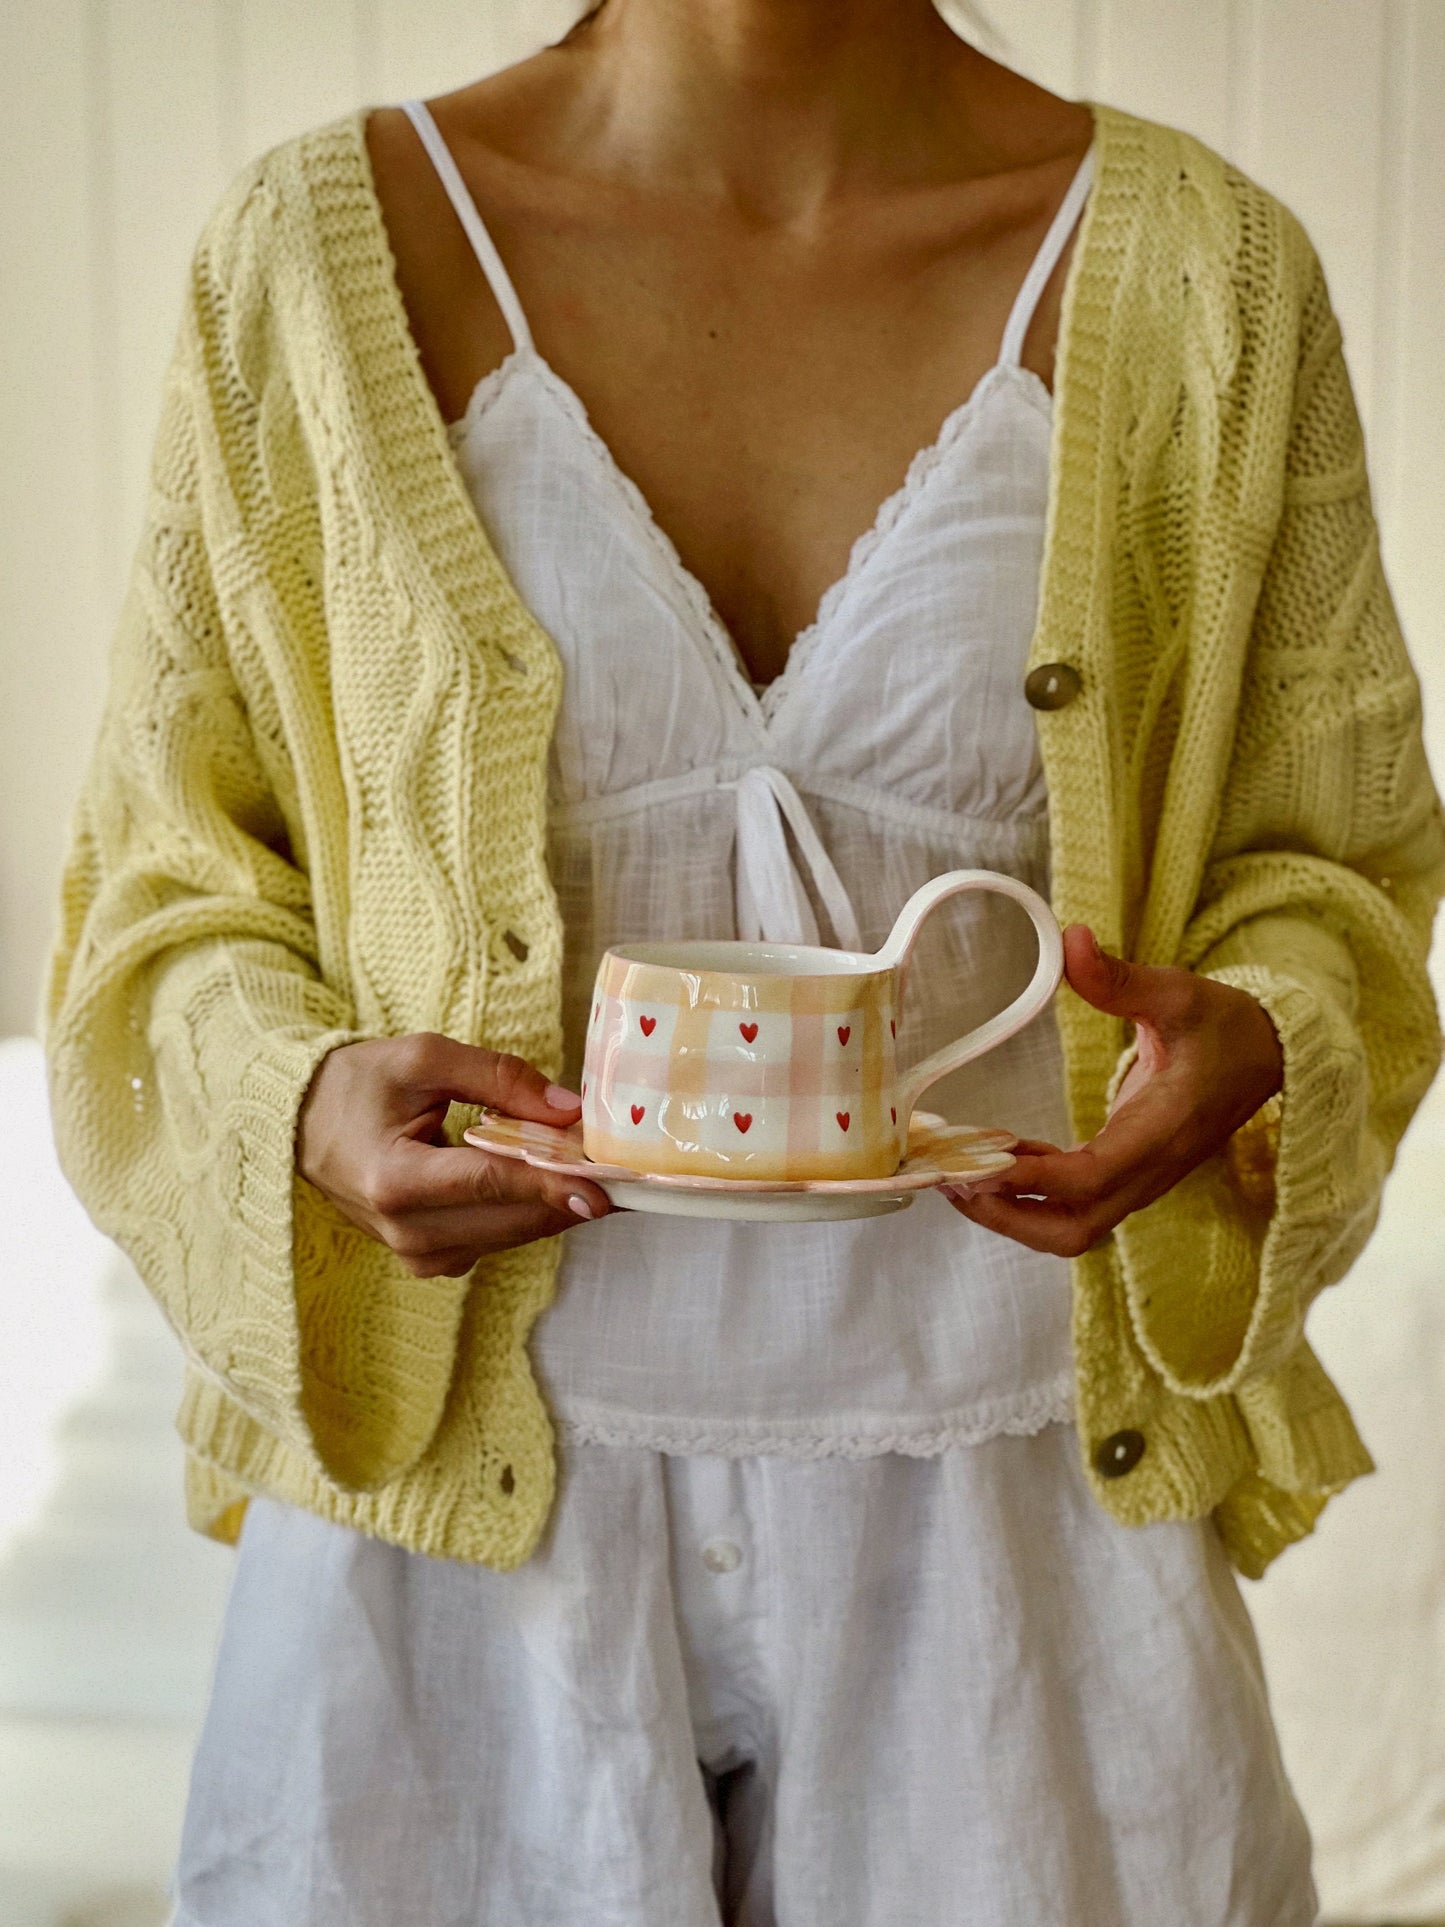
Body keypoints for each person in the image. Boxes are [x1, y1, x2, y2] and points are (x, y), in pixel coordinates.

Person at [42, 1, 1445, 1921]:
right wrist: (296, 1098)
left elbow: (1333, 856)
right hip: (451, 1565)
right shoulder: (312, 254)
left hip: (1022, 1526)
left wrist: (1262, 1030)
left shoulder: (1208, 280)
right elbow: (164, 888)